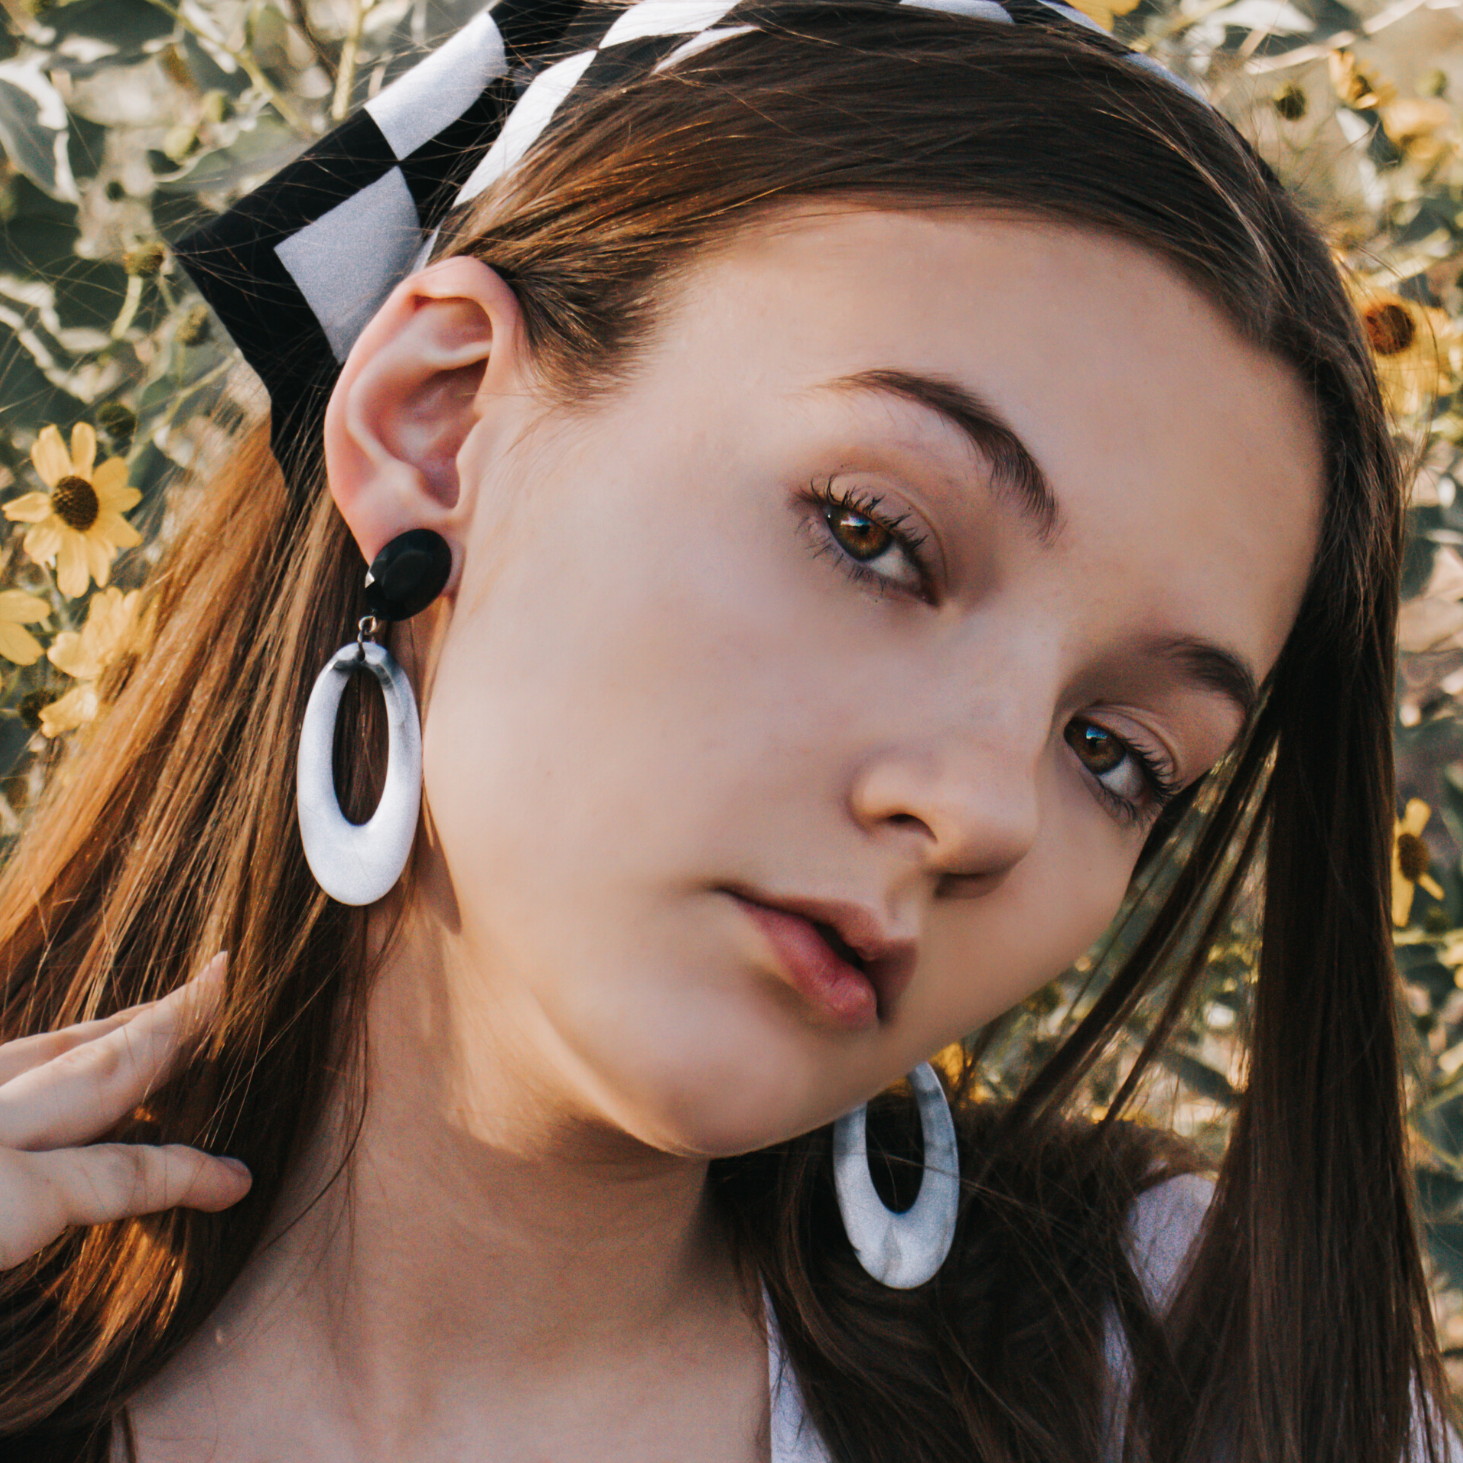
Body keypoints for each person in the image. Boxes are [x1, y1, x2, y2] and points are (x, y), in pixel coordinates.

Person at [0, 1, 1445, 1459]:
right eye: (874, 536)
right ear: (437, 420)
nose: (986, 810)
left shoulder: (1179, 1377)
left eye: (1116, 752)